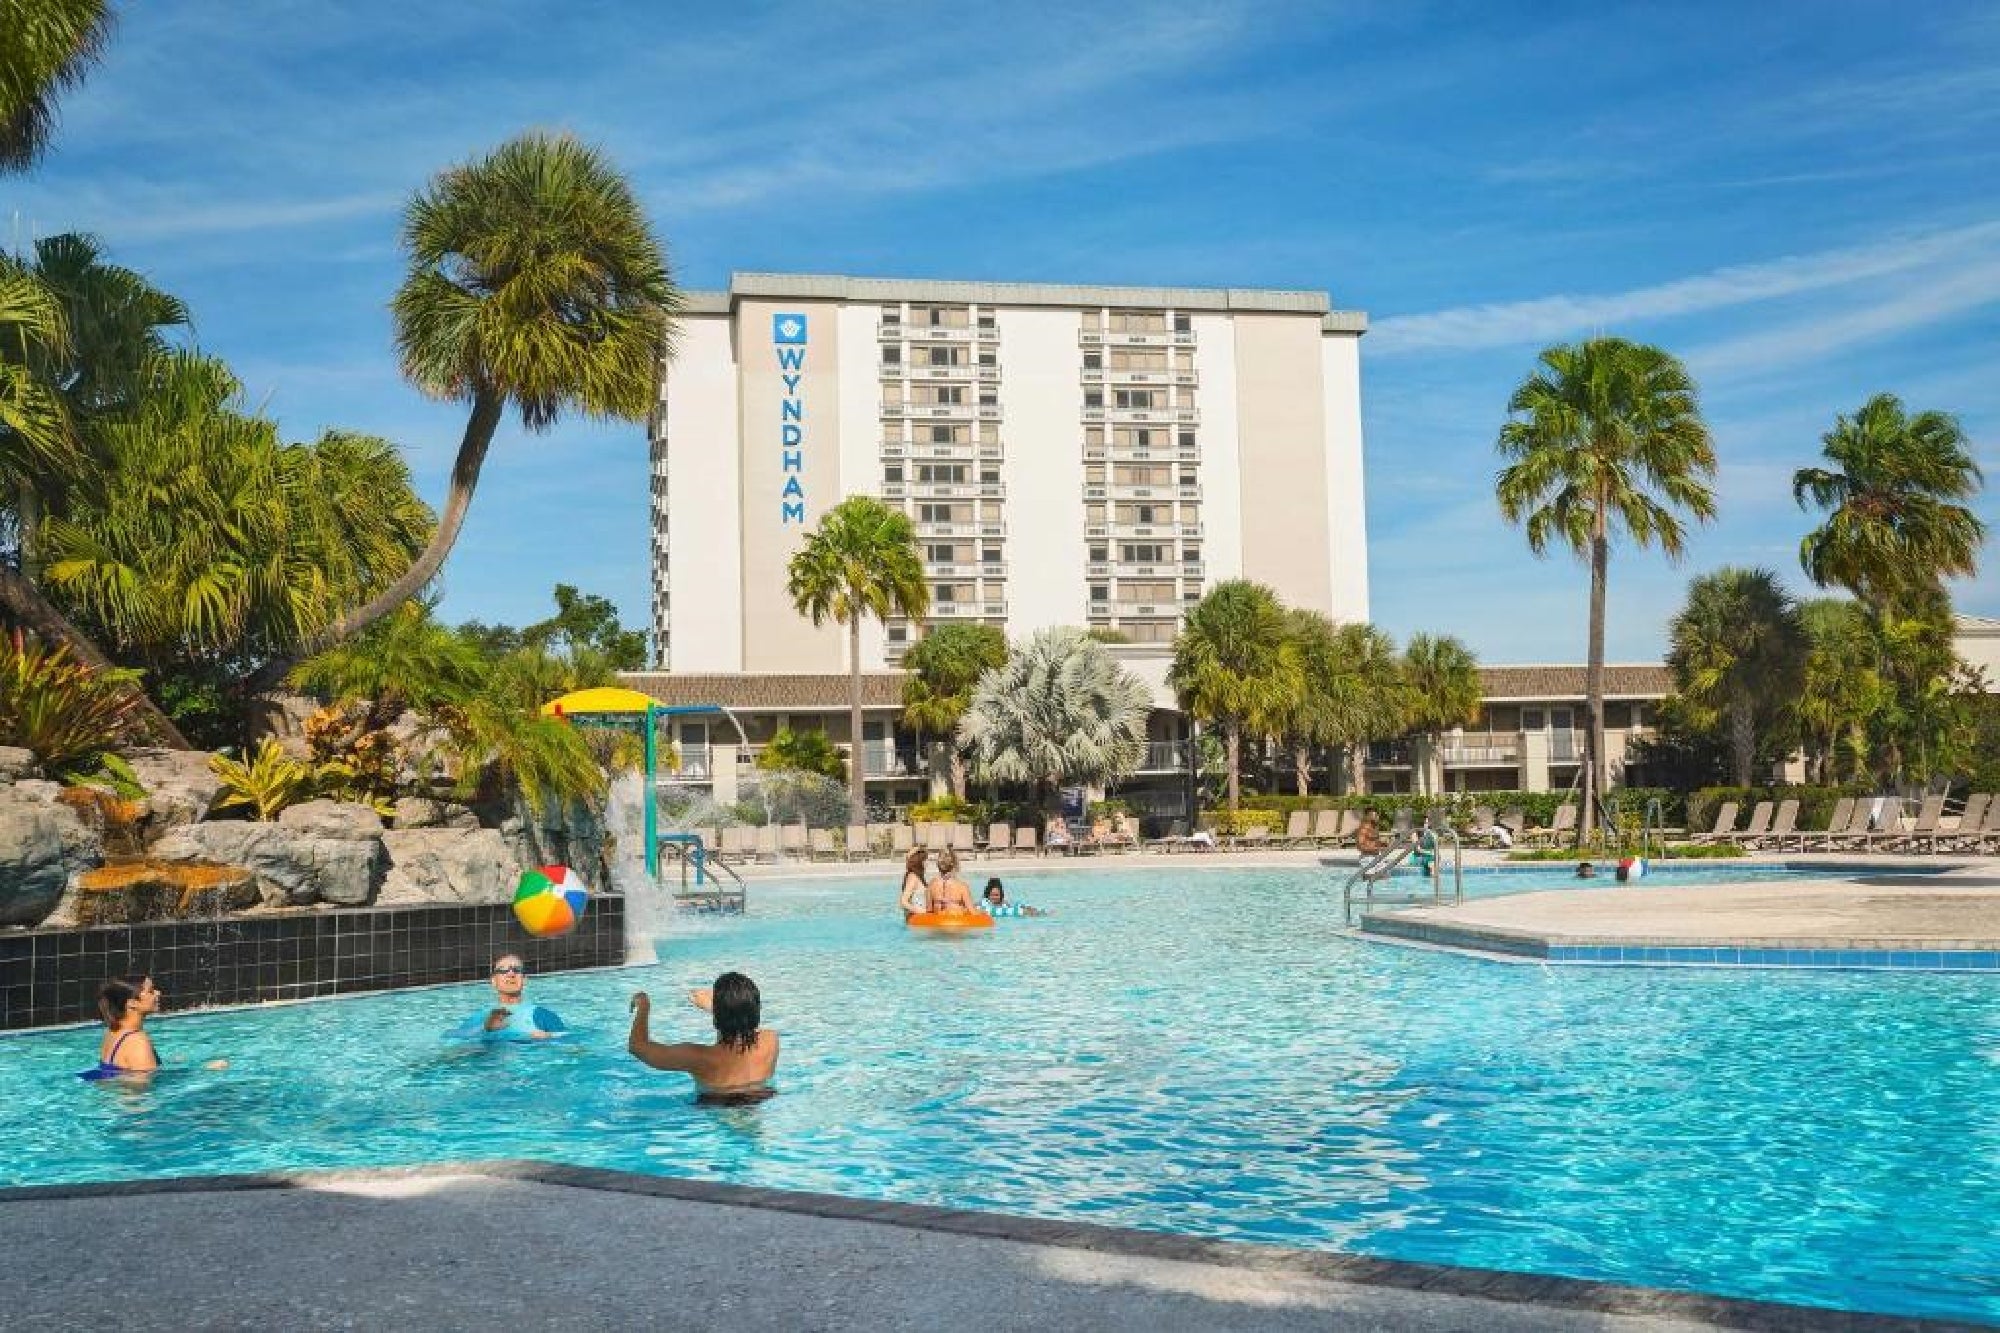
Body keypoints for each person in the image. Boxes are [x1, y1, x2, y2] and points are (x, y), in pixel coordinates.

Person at [628, 972, 779, 1103]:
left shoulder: (698, 1058)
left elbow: (637, 1046)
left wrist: (643, 1005)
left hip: (716, 1106)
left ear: (718, 1017)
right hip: (762, 1099)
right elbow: (744, 1024)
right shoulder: (771, 1041)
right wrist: (718, 1009)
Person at [83, 976, 226, 1080]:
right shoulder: (137, 1040)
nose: (158, 993)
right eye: (151, 991)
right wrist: (202, 1071)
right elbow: (146, 1085)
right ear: (132, 1003)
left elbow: (126, 1070)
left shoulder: (113, 1031)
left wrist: (170, 1064)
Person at [477, 954, 566, 1039]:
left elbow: (568, 1044)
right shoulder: (479, 1018)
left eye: (516, 970)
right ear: (493, 981)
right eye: (503, 970)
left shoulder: (545, 1016)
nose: (511, 974)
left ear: (524, 980)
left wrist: (549, 1036)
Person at [927, 849, 978, 914]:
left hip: (937, 921)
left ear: (938, 865)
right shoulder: (962, 886)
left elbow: (929, 910)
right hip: (956, 921)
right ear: (955, 865)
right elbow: (973, 912)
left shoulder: (931, 885)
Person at [980, 878, 1049, 918]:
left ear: (1001, 895)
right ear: (988, 895)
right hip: (1000, 915)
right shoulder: (984, 903)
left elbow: (1017, 906)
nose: (994, 897)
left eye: (997, 895)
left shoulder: (1004, 903)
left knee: (1030, 910)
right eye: (992, 895)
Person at [898, 847, 930, 919]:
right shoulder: (913, 877)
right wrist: (921, 911)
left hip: (921, 920)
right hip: (916, 920)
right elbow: (903, 902)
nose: (928, 863)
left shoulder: (919, 876)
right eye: (926, 860)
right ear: (920, 862)